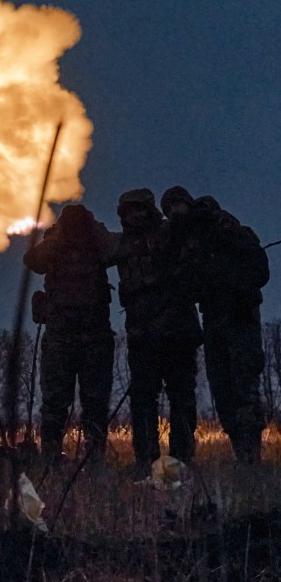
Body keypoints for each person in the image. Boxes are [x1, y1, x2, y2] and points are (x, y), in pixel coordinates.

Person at [112, 188, 202, 476]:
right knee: (143, 398)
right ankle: (146, 460)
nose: (135, 215)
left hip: (176, 333)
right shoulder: (122, 244)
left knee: (182, 396)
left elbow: (189, 268)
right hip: (142, 336)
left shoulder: (170, 234)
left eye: (140, 209)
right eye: (129, 211)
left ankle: (182, 459)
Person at [24, 204, 117, 466]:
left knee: (96, 404)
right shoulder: (55, 244)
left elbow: (114, 250)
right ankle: (51, 458)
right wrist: (59, 236)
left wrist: (92, 230)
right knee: (55, 404)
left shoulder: (97, 243)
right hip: (61, 338)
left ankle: (94, 458)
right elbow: (33, 261)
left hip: (94, 337)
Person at [184, 192, 270, 463]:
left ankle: (250, 457)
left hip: (239, 318)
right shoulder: (196, 245)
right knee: (223, 390)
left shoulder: (231, 232)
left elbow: (258, 272)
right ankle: (241, 453)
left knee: (244, 387)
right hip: (215, 321)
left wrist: (231, 284)